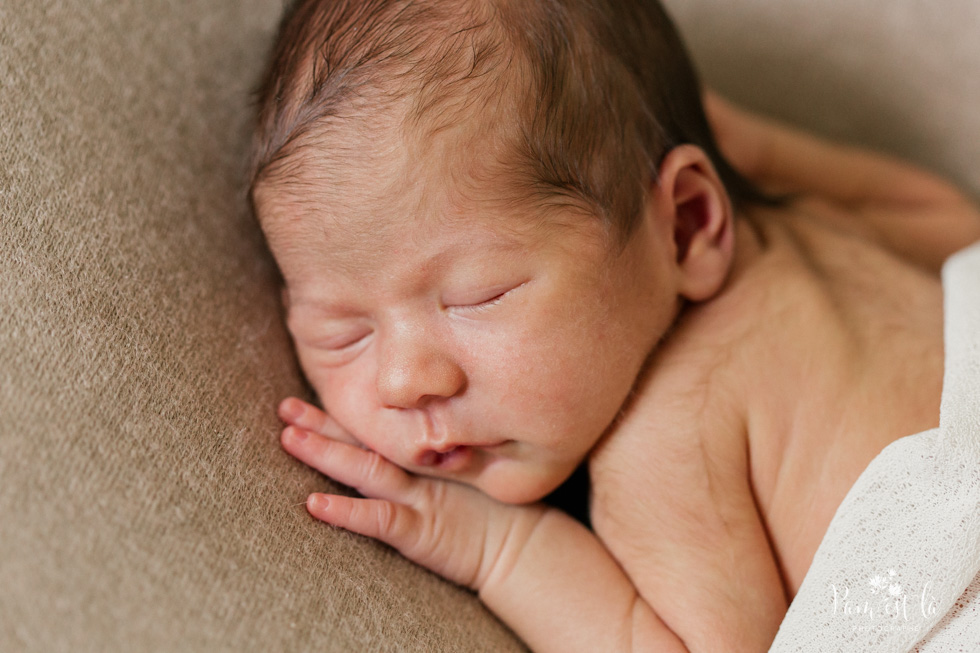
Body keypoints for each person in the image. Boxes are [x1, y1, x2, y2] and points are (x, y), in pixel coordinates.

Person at [247, 0, 980, 650]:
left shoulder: (664, 439)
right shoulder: (820, 226)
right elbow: (955, 223)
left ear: (687, 224)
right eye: (343, 331)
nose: (407, 380)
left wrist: (503, 552)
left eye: (479, 295)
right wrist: (765, 154)